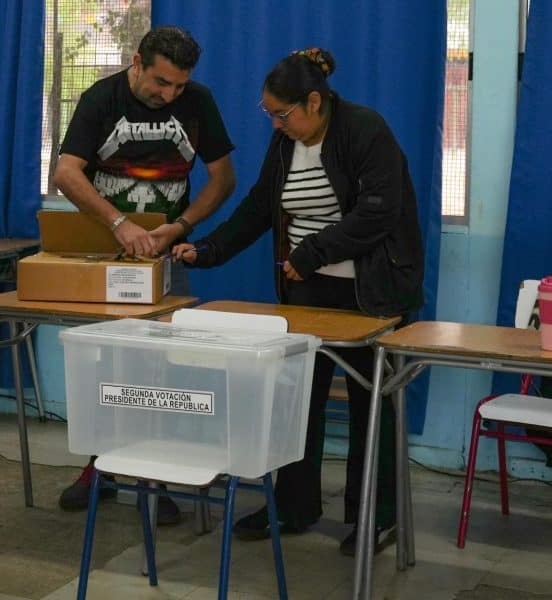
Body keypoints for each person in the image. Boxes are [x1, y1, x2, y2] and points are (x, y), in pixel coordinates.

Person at [172, 48, 424, 555]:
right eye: (268, 114)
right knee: (296, 401)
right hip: (308, 289)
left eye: (282, 114)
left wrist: (312, 252)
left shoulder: (364, 130)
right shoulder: (286, 142)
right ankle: (293, 505)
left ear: (314, 101)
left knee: (368, 405)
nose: (275, 123)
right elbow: (260, 208)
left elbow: (379, 212)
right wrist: (207, 250)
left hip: (372, 292)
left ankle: (376, 517)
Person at [52, 25, 237, 523]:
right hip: (106, 256)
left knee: (159, 365)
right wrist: (117, 223)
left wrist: (181, 225)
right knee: (104, 361)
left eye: (178, 85)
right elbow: (66, 173)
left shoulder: (198, 103)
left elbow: (224, 178)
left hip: (165, 257)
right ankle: (100, 465)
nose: (169, 94)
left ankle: (155, 474)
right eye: (160, 82)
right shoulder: (101, 100)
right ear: (137, 62)